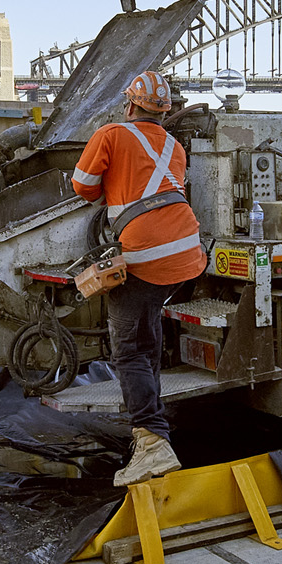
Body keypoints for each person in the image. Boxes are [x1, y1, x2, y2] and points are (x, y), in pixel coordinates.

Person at [70, 70, 207, 487]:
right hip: (186, 252)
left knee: (128, 352)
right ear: (164, 114)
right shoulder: (176, 147)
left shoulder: (110, 134)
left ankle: (151, 442)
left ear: (129, 105)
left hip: (146, 255)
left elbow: (83, 188)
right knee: (148, 335)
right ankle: (155, 428)